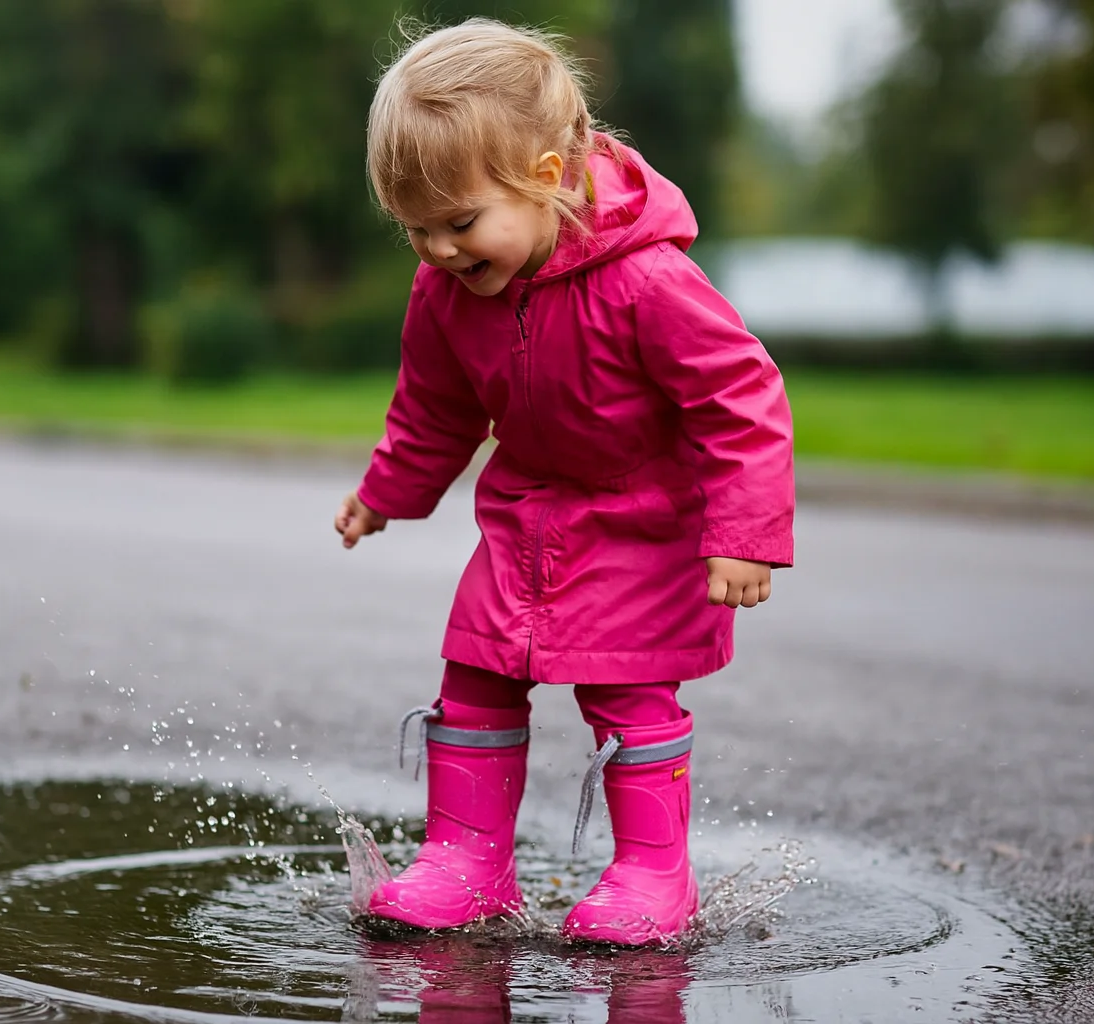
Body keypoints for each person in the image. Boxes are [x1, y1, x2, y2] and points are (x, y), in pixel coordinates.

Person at [334, 17, 794, 947]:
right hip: (525, 517)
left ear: (545, 177)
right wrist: (386, 492)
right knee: (475, 671)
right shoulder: (446, 293)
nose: (440, 251)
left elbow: (741, 396)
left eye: (460, 223)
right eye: (415, 230)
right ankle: (465, 863)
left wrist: (745, 537)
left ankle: (654, 874)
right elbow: (432, 408)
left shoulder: (648, 281)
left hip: (644, 521)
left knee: (625, 690)